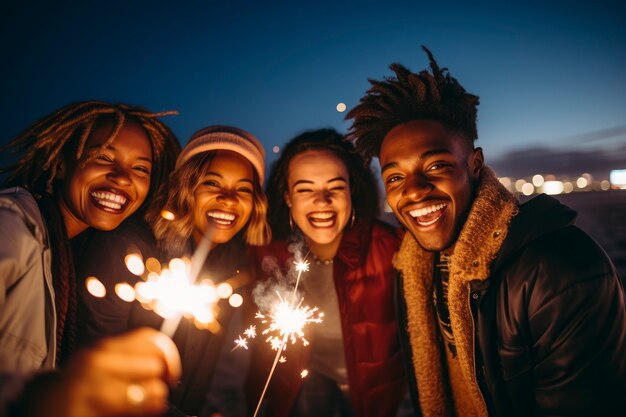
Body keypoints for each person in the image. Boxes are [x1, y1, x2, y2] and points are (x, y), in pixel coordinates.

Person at [346, 46, 626, 416]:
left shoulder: (561, 271)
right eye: (395, 177)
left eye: (436, 166)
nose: (412, 190)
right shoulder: (412, 267)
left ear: (475, 165)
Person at [0, 100, 183, 416]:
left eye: (140, 168)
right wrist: (48, 401)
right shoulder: (14, 226)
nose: (123, 177)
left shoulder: (75, 250)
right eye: (103, 157)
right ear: (60, 164)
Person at [76, 125, 272, 416]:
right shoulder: (130, 250)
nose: (229, 199)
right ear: (186, 187)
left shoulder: (235, 267)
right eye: (212, 184)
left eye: (243, 189)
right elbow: (94, 368)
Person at [247, 129, 406, 417]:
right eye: (305, 188)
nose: (322, 200)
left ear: (352, 192)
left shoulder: (393, 248)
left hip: (381, 391)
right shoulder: (270, 255)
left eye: (335, 186)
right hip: (309, 378)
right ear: (287, 198)